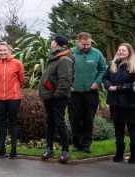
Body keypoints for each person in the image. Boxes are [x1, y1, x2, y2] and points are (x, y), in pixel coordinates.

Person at [70, 32, 108, 153]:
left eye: (88, 44)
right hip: (74, 93)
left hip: (91, 93)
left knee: (88, 119)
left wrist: (97, 82)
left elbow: (103, 69)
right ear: (78, 42)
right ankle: (77, 144)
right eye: (84, 44)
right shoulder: (71, 53)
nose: (86, 46)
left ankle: (86, 144)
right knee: (75, 118)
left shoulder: (97, 53)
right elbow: (64, 70)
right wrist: (69, 84)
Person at [39, 36, 74, 164]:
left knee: (59, 122)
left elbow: (65, 80)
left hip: (57, 97)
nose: (51, 42)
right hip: (49, 96)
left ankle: (65, 151)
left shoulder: (64, 59)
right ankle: (49, 148)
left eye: (52, 40)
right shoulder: (55, 57)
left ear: (58, 44)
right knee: (50, 122)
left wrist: (57, 95)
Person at [0, 42, 25, 158]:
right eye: (0, 50)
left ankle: (14, 149)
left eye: (4, 50)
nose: (2, 52)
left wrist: (14, 89)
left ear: (9, 51)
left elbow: (22, 80)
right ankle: (2, 148)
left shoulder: (17, 63)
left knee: (13, 122)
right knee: (1, 123)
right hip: (0, 97)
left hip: (14, 98)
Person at [102, 43, 135, 164]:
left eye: (124, 50)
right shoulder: (113, 64)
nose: (121, 52)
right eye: (119, 50)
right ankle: (119, 154)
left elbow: (133, 85)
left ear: (129, 52)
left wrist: (118, 88)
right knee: (118, 129)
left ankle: (134, 156)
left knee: (132, 129)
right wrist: (108, 85)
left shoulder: (133, 65)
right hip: (115, 103)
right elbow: (105, 78)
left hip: (130, 104)